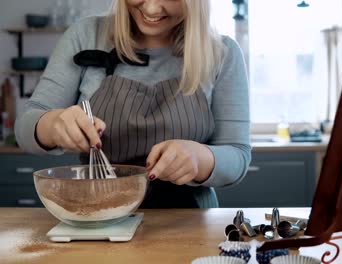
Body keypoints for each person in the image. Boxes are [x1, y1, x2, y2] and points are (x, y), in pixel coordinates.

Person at [15, 0, 251, 208]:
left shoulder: (223, 53)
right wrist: (53, 124)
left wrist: (201, 159)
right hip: (96, 216)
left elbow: (237, 156)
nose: (151, 7)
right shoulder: (86, 34)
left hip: (190, 223)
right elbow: (26, 126)